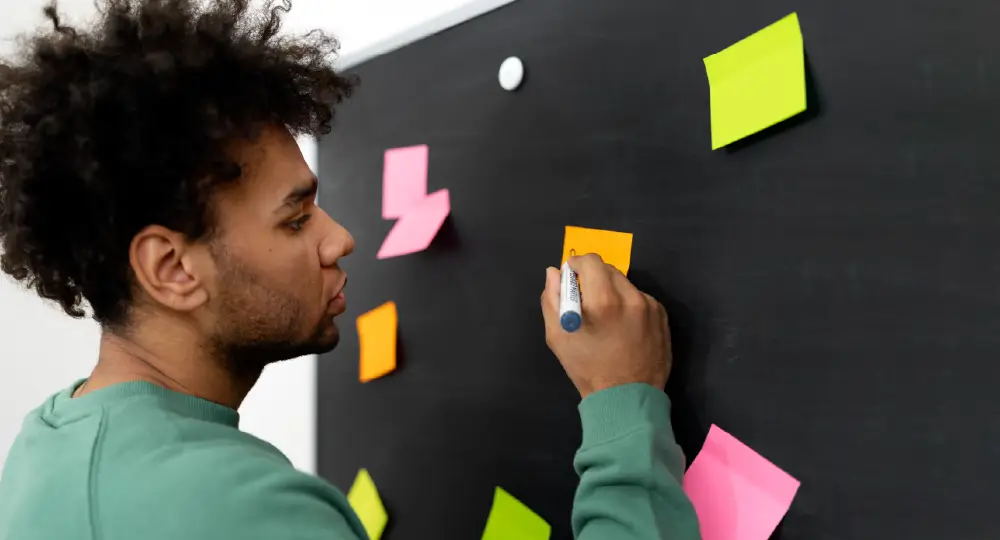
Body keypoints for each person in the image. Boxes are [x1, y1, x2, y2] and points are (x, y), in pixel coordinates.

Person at [0, 1, 701, 538]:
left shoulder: (48, 444)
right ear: (172, 268)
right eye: (296, 219)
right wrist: (622, 400)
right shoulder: (240, 509)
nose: (342, 239)